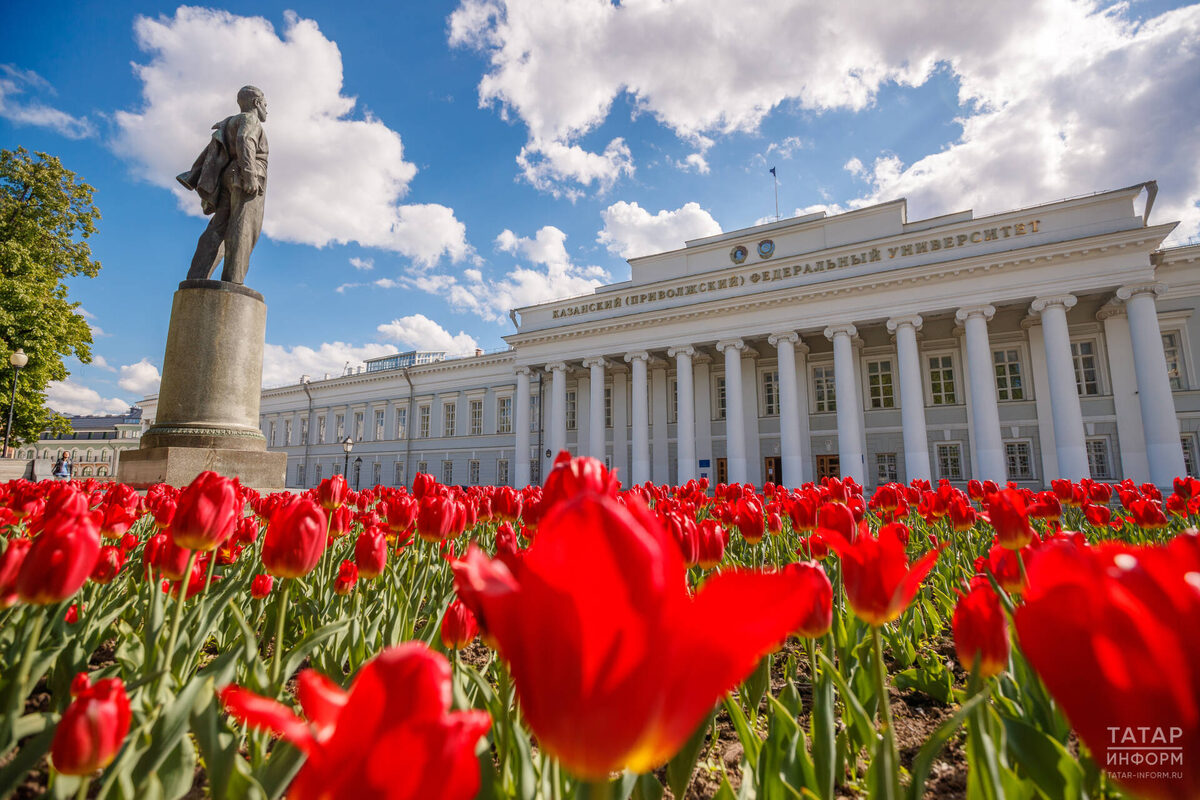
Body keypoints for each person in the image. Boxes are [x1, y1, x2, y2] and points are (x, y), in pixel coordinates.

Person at [177, 85, 269, 285]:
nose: (266, 110)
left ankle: (197, 276)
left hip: (229, 176)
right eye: (265, 104)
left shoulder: (230, 122)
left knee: (218, 227)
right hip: (245, 177)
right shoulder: (250, 119)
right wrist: (250, 175)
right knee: (243, 227)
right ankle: (234, 281)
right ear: (256, 103)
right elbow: (245, 139)